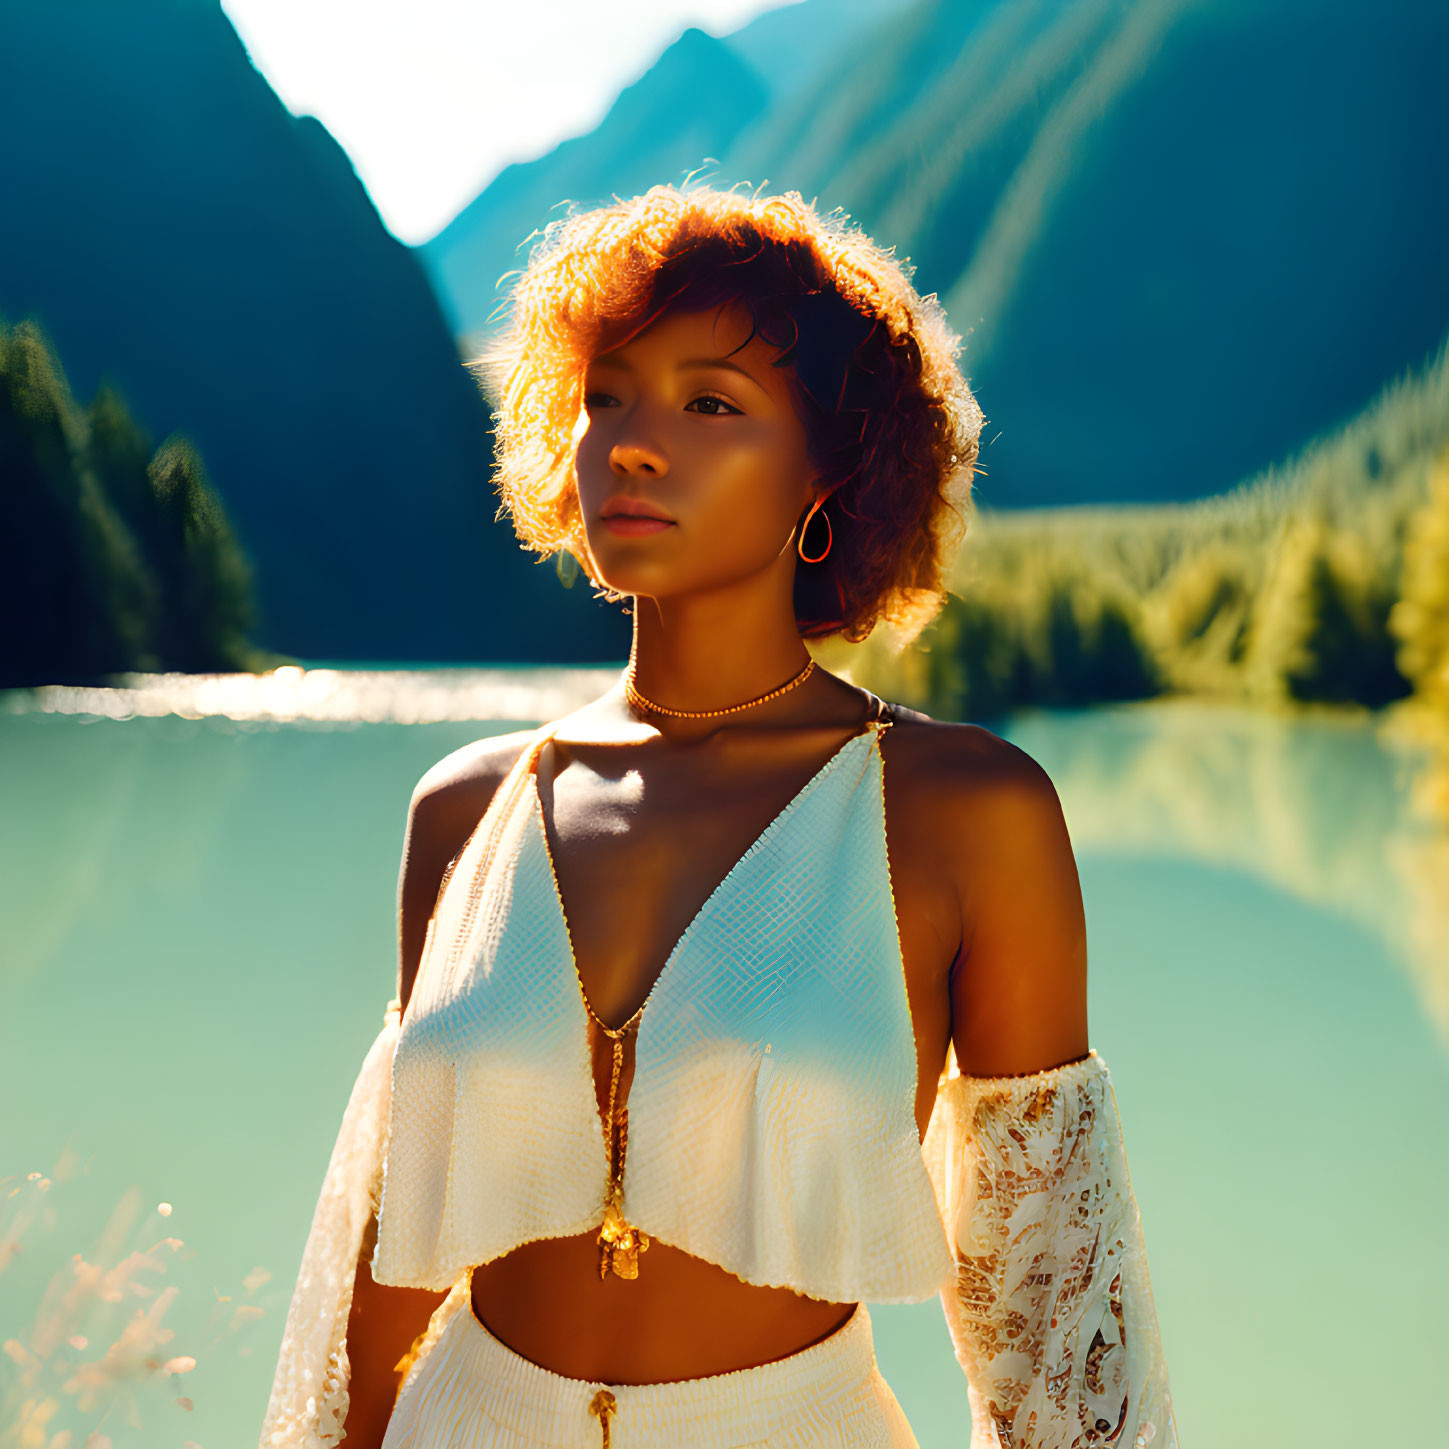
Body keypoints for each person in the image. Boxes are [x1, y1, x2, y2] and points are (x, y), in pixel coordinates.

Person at [259, 184, 1177, 1449]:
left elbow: (1047, 1318)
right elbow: (389, 1252)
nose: (633, 443)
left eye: (710, 403)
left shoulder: (968, 812)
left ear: (827, 475)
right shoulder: (466, 809)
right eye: (608, 394)